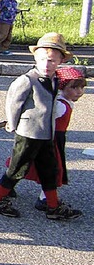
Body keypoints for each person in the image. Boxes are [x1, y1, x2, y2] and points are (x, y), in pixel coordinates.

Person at [0, 32, 82, 221]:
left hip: (47, 134)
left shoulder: (54, 81)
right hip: (28, 134)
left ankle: (53, 206)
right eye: (44, 60)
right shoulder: (27, 80)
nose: (48, 65)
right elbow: (13, 102)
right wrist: (12, 123)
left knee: (49, 169)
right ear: (36, 58)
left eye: (53, 61)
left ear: (60, 61)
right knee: (17, 169)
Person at [22, 66, 86, 211]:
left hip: (55, 138)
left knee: (27, 164)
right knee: (51, 169)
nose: (79, 91)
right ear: (62, 87)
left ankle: (6, 185)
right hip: (51, 139)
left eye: (82, 87)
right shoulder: (59, 105)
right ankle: (44, 199)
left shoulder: (64, 102)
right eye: (75, 87)